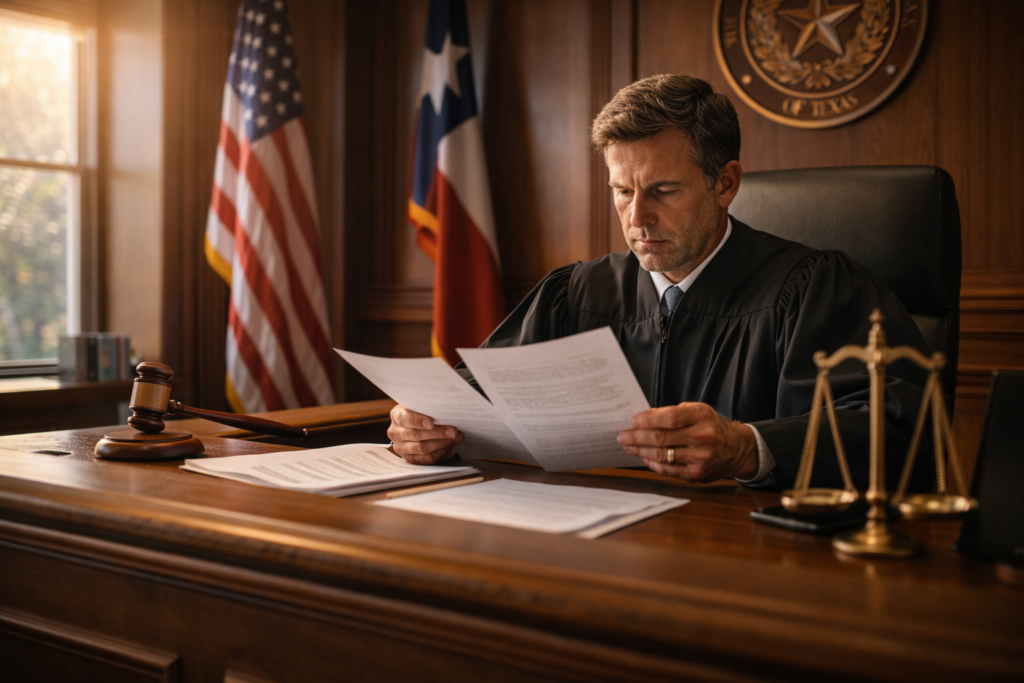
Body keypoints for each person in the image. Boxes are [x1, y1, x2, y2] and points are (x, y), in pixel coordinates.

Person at [388, 74, 933, 491]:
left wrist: (749, 447)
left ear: (725, 184)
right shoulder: (576, 295)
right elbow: (476, 395)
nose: (637, 218)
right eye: (623, 191)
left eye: (663, 191)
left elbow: (900, 431)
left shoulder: (814, 290)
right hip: (595, 547)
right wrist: (427, 426)